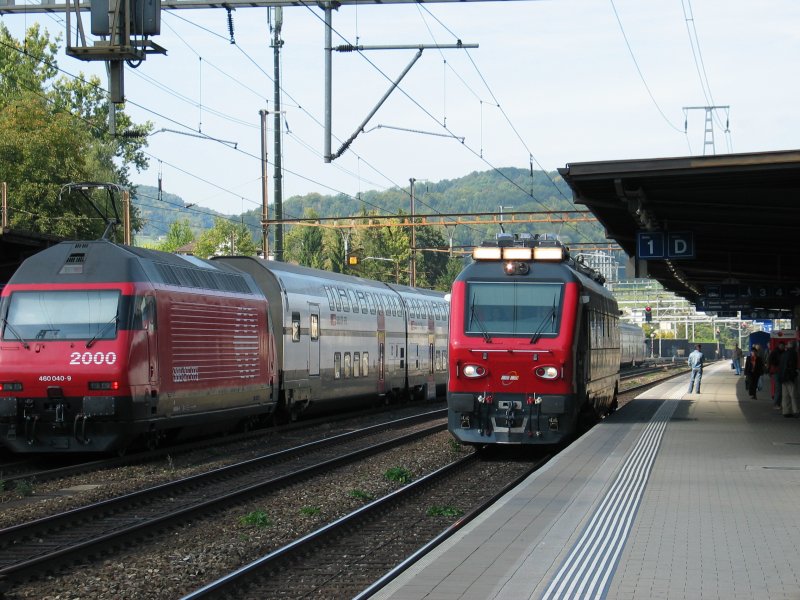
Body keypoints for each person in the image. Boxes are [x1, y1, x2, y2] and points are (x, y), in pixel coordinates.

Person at [778, 340, 798, 417]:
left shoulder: (784, 354)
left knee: (785, 395)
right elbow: (792, 366)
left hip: (783, 377)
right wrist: (793, 375)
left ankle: (786, 411)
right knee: (793, 394)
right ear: (794, 346)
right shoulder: (793, 353)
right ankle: (796, 410)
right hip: (789, 376)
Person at [768, 342, 785, 409]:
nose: (783, 347)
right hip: (775, 372)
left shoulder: (782, 352)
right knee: (779, 388)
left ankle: (778, 404)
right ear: (779, 346)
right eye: (782, 346)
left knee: (779, 388)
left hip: (779, 372)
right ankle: (776, 404)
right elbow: (771, 361)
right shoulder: (775, 352)